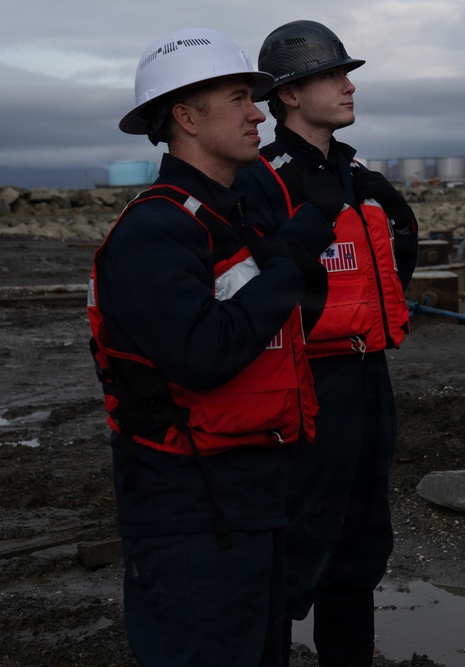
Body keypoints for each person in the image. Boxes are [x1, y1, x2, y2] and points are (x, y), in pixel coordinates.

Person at [88, 26, 336, 667]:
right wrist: (290, 265)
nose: (259, 111)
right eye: (238, 98)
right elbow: (203, 355)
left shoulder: (230, 217)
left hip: (251, 491)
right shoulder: (155, 230)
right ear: (186, 116)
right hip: (190, 510)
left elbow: (282, 326)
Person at [234, 19, 418, 667]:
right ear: (288, 93)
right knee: (294, 543)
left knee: (362, 542)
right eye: (334, 74)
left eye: (347, 73)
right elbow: (246, 288)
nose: (348, 85)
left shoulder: (353, 171)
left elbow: (393, 262)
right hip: (307, 384)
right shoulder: (262, 179)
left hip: (371, 381)